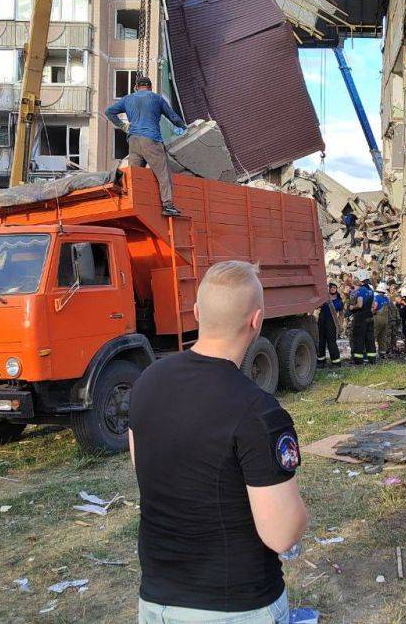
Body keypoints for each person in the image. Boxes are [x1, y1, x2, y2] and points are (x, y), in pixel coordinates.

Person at [129, 261, 308, 623]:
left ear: (196, 313)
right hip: (235, 607)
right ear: (257, 321)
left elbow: (145, 470)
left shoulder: (146, 382)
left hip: (157, 601)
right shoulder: (258, 411)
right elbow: (281, 535)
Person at [105, 76, 187, 217]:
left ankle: (131, 205)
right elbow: (173, 117)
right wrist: (183, 127)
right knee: (163, 174)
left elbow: (109, 112)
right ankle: (168, 205)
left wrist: (122, 125)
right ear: (150, 87)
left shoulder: (127, 99)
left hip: (133, 141)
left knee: (135, 176)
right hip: (151, 140)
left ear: (136, 87)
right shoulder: (156, 98)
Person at [348, 270, 377, 365]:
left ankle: (358, 360)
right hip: (370, 317)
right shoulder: (371, 290)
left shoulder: (360, 290)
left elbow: (359, 305)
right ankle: (372, 359)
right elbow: (373, 305)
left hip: (361, 318)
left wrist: (353, 307)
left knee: (358, 339)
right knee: (370, 339)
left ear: (360, 280)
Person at [317, 282, 343, 368]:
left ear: (336, 289)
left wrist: (340, 325)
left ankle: (336, 362)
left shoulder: (339, 301)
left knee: (331, 342)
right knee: (321, 341)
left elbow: (341, 314)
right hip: (322, 321)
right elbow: (317, 306)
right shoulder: (325, 298)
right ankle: (321, 361)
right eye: (331, 287)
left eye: (334, 287)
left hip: (331, 323)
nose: (332, 289)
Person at [373, 281, 391, 354]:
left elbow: (375, 307)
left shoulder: (376, 298)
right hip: (385, 321)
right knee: (382, 337)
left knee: (373, 337)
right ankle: (382, 353)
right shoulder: (387, 299)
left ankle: (372, 353)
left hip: (377, 320)